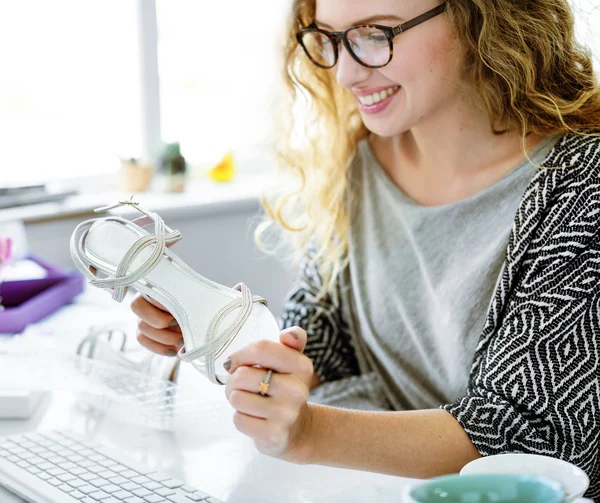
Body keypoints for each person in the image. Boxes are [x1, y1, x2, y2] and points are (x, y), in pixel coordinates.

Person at [131, 0, 600, 498]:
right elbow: (322, 345)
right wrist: (226, 330)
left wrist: (309, 432)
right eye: (330, 38)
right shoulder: (358, 160)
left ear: (480, 17)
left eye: (376, 34)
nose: (347, 72)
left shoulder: (582, 183)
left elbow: (531, 439)